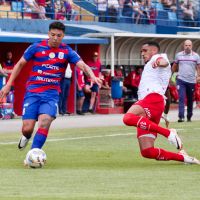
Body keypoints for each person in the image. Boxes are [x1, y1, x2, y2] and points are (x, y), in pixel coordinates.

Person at [0, 21, 102, 155]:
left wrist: (92, 76)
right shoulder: (36, 47)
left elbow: (82, 65)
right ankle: (26, 136)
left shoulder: (66, 51)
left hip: (51, 94)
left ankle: (34, 153)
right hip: (33, 92)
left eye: (58, 35)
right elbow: (19, 64)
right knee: (27, 128)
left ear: (63, 36)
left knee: (45, 122)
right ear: (48, 34)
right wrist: (8, 84)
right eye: (53, 35)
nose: (55, 38)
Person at [123, 41, 200, 165]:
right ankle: (184, 158)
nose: (142, 53)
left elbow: (162, 62)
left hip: (151, 100)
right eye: (141, 51)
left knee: (128, 118)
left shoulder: (157, 58)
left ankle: (168, 133)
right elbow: (167, 92)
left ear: (153, 51)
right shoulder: (152, 70)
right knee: (147, 151)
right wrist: (164, 113)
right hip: (153, 106)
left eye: (144, 50)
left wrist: (160, 62)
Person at [172, 40, 200, 122]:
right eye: (186, 45)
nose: (187, 47)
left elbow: (198, 68)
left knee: (190, 100)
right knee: (181, 98)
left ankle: (189, 116)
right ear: (183, 46)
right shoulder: (178, 55)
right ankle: (181, 117)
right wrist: (169, 75)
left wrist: (198, 76)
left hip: (191, 81)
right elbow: (174, 66)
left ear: (192, 46)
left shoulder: (196, 56)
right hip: (181, 80)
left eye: (189, 45)